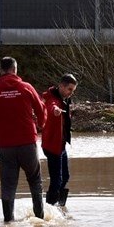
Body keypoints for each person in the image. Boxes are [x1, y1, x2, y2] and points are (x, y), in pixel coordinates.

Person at [0, 57, 47, 222]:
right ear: (15, 69)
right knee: (35, 182)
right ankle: (40, 221)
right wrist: (42, 124)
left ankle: (8, 225)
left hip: (6, 147)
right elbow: (41, 108)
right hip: (28, 144)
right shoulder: (26, 87)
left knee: (8, 187)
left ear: (0, 70)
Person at [41, 74, 77, 206]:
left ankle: (60, 206)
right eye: (69, 89)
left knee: (65, 177)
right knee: (56, 180)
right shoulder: (52, 98)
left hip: (60, 144)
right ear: (61, 86)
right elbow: (51, 106)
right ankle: (49, 209)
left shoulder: (64, 98)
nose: (70, 93)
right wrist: (55, 110)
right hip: (52, 145)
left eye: (73, 90)